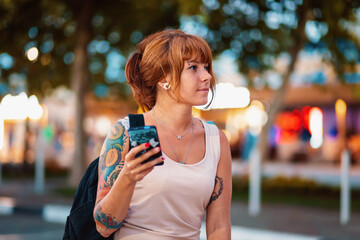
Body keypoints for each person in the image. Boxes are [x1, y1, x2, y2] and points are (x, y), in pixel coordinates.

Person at [93, 29, 232, 240]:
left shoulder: (216, 140)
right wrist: (128, 177)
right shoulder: (126, 133)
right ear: (163, 77)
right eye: (193, 67)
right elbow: (103, 226)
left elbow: (218, 227)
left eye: (206, 67)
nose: (207, 77)